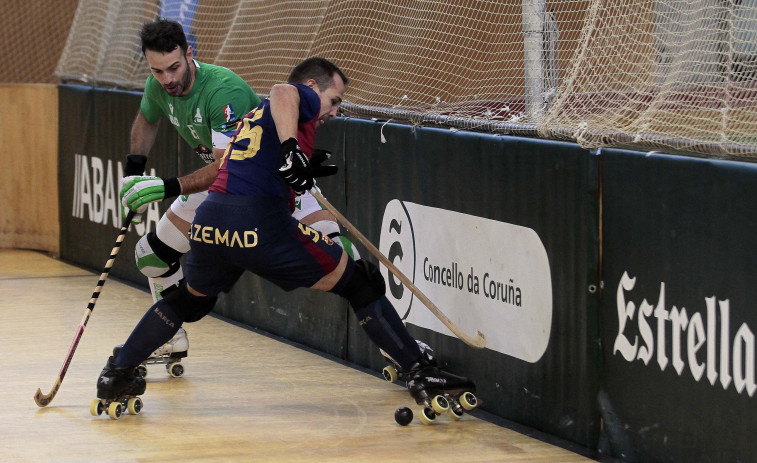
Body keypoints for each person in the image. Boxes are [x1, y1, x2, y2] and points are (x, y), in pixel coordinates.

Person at [97, 57, 475, 414]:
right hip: (257, 221)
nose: (333, 111)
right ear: (313, 87)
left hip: (211, 220)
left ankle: (117, 372)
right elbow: (283, 90)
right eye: (334, 100)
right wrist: (294, 148)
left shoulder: (257, 120)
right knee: (360, 282)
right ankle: (419, 371)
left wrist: (301, 163)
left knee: (188, 301)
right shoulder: (299, 97)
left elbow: (253, 163)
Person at [122, 19, 358, 369]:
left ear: (189, 54)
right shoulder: (158, 86)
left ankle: (397, 349)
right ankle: (170, 338)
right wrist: (134, 174)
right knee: (151, 256)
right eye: (158, 71)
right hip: (224, 190)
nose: (168, 79)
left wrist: (165, 187)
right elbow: (147, 118)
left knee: (344, 256)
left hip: (270, 180)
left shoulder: (222, 91)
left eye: (174, 68)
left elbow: (224, 164)